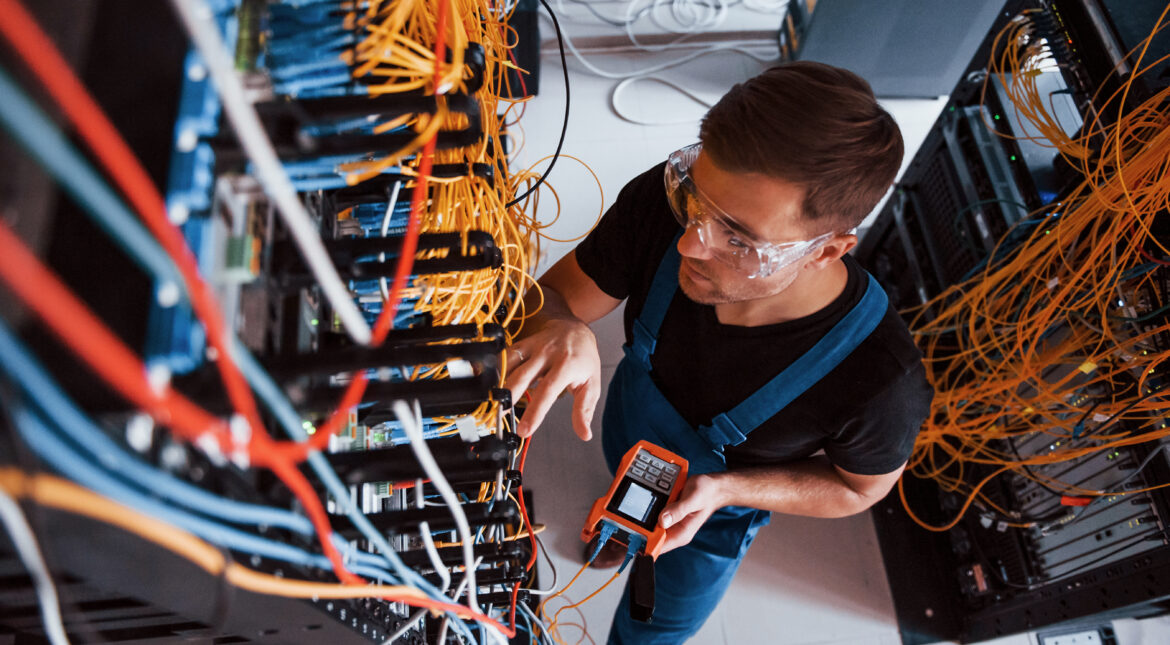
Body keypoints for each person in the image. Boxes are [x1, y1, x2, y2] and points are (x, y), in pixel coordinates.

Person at [505, 61, 933, 644]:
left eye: (737, 238)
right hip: (628, 433)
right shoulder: (666, 204)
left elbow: (857, 488)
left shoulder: (879, 380)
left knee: (653, 627)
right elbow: (554, 295)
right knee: (622, 499)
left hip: (711, 514)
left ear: (826, 250)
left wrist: (729, 489)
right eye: (695, 200)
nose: (687, 241)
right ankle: (620, 534)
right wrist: (561, 323)